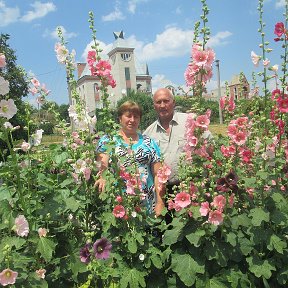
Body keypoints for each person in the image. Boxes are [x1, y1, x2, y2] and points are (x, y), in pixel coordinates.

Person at [95, 101, 165, 216]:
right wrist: (103, 177)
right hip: (119, 203)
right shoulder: (108, 140)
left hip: (146, 204)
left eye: (136, 117)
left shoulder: (149, 143)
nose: (132, 120)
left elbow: (159, 174)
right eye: (128, 116)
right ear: (120, 118)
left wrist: (160, 203)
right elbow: (102, 165)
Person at [144, 88, 212, 192]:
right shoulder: (148, 134)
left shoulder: (190, 120)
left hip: (193, 186)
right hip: (165, 191)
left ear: (173, 102)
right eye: (158, 102)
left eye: (166, 101)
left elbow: (211, 145)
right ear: (154, 106)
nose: (162, 105)